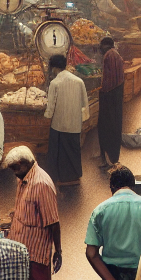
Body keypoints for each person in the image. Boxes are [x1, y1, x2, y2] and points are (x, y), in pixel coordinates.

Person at [3, 146, 60, 280]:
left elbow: (53, 222)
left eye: (14, 169)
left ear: (24, 164)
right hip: (21, 253)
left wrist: (58, 251)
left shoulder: (41, 184)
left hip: (36, 254)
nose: (13, 173)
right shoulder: (24, 178)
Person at [43, 54, 89, 185]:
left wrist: (46, 118)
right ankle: (75, 177)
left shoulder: (55, 83)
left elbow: (51, 106)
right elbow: (84, 103)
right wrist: (83, 121)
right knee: (73, 150)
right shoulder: (79, 81)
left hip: (59, 124)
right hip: (75, 124)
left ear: (54, 68)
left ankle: (60, 179)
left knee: (58, 152)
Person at [97, 38, 126, 170]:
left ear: (105, 46)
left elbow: (109, 80)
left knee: (106, 127)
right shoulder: (116, 54)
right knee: (115, 126)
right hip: (116, 95)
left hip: (110, 96)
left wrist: (102, 91)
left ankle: (108, 158)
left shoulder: (109, 55)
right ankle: (112, 157)